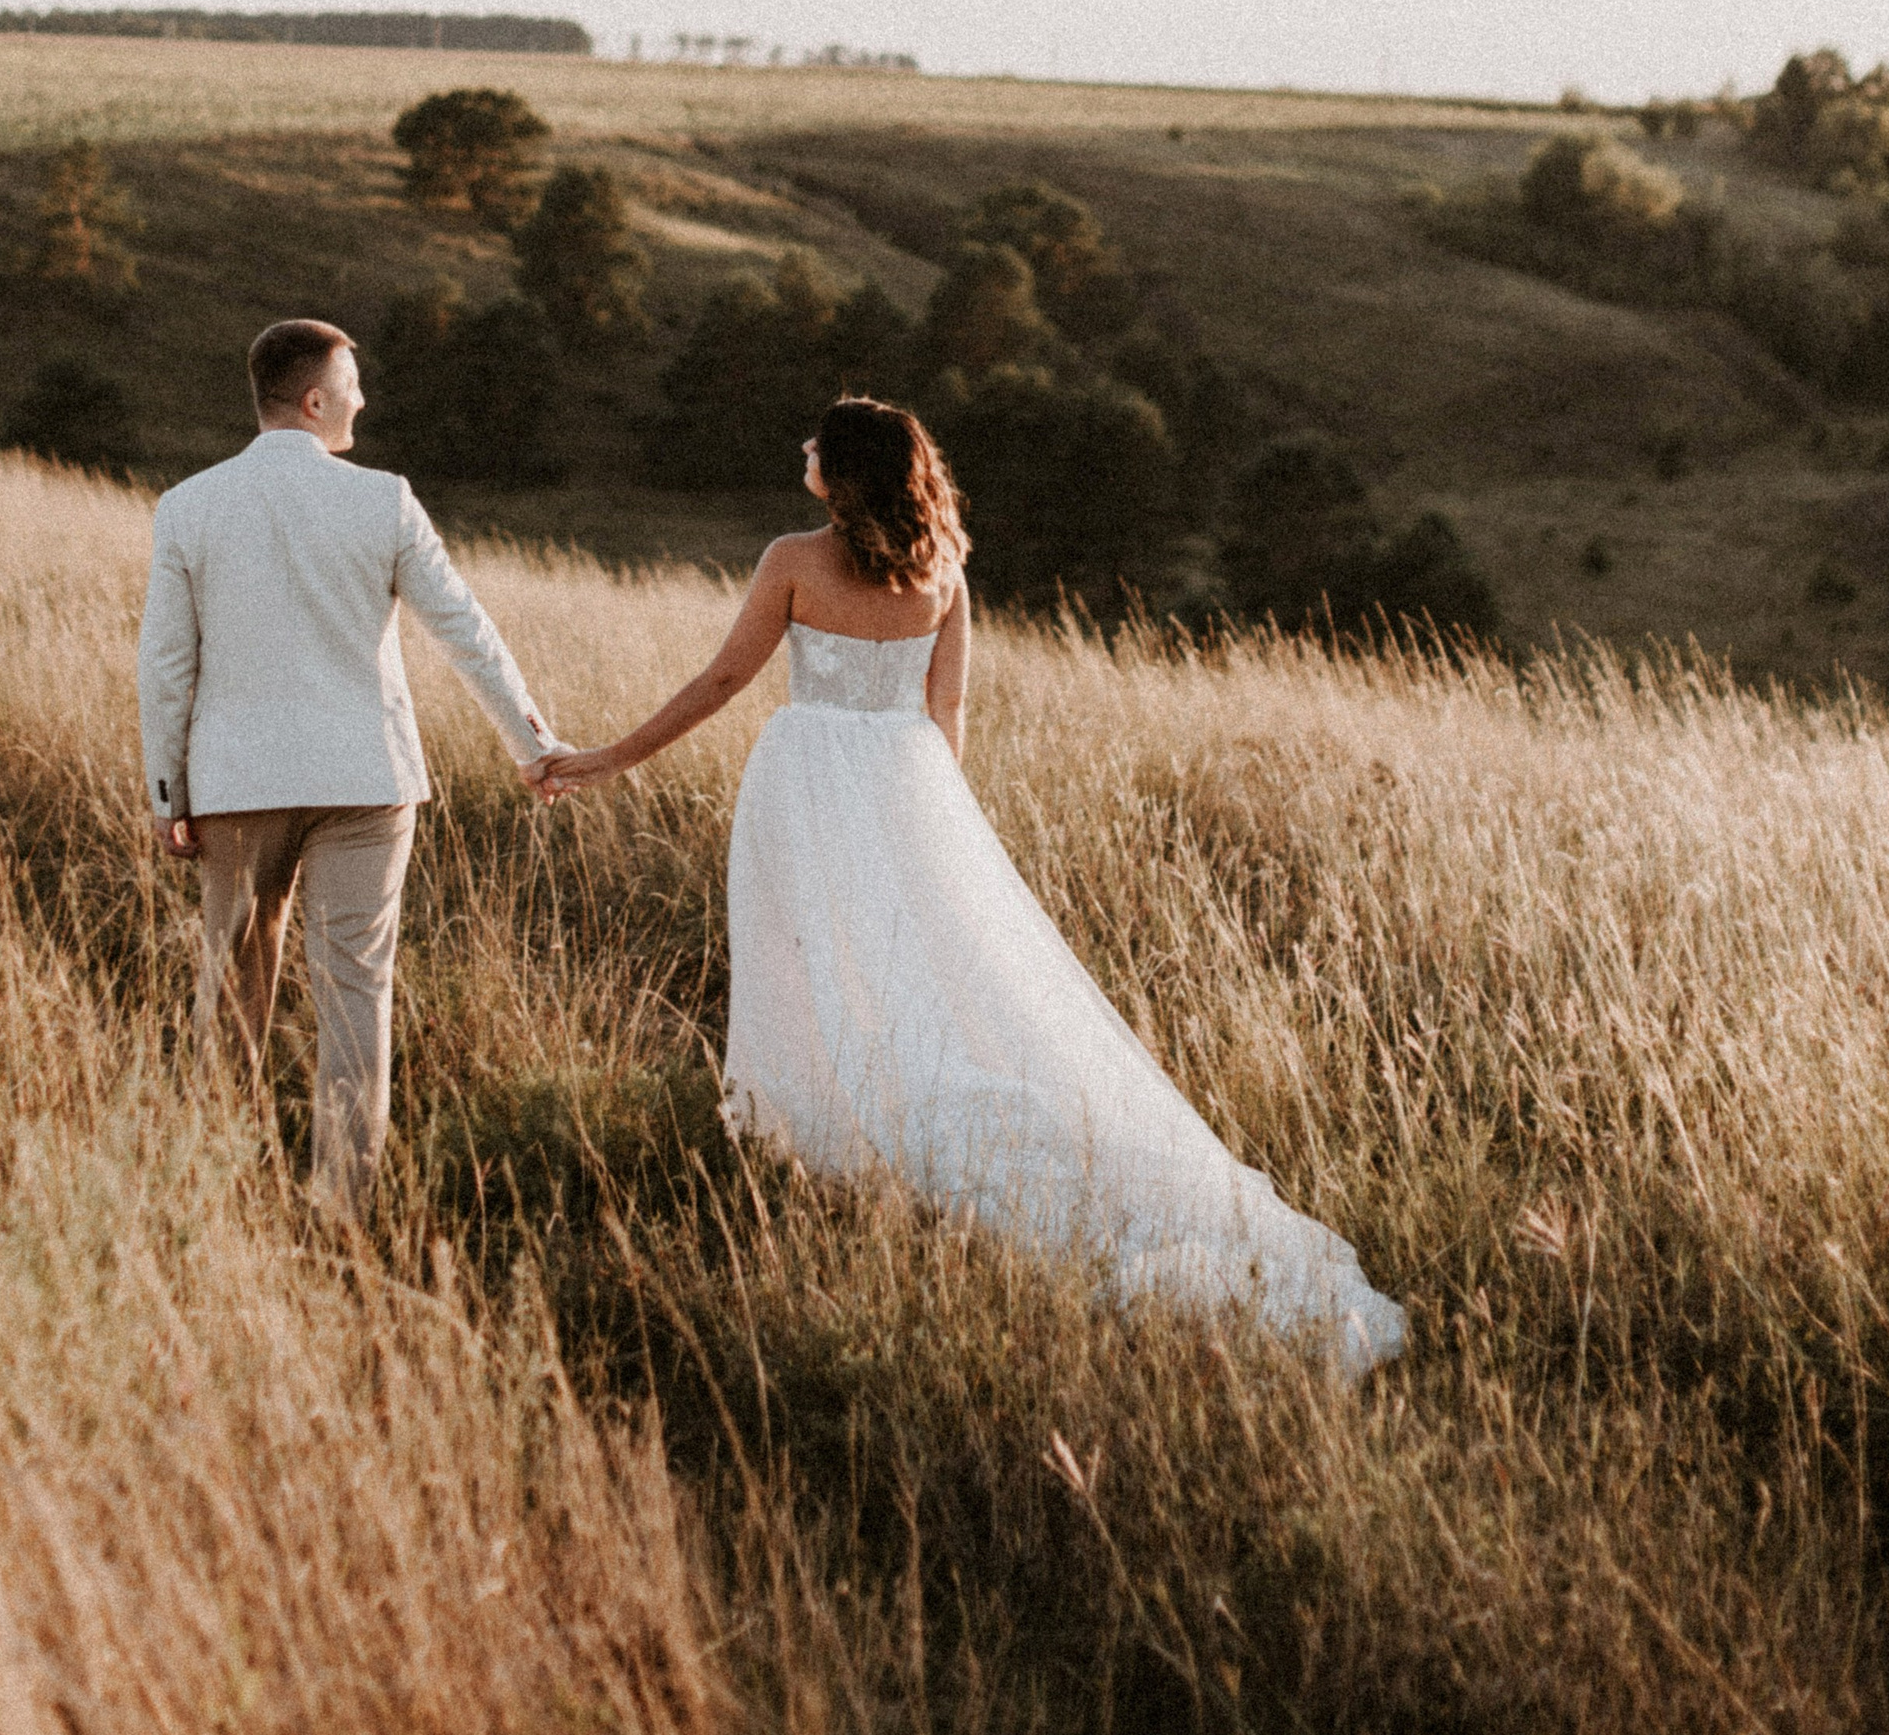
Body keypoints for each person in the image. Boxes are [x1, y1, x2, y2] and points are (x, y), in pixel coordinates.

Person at [540, 395, 1404, 1374]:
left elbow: (721, 682)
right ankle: (871, 1129)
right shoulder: (943, 565)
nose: (803, 449)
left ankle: (816, 1143)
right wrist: (933, 821)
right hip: (908, 780)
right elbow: (946, 708)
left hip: (805, 780)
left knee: (808, 961)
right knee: (919, 974)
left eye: (816, 442)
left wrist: (603, 757)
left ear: (847, 470)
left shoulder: (791, 557)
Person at [138, 316, 567, 1212]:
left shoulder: (189, 505)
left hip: (234, 787)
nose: (363, 402)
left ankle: (219, 1189)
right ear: (314, 399)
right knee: (355, 998)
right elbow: (467, 634)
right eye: (352, 386)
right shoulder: (385, 500)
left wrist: (167, 792)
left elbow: (168, 666)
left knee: (231, 987)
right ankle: (341, 1206)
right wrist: (533, 746)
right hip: (367, 782)